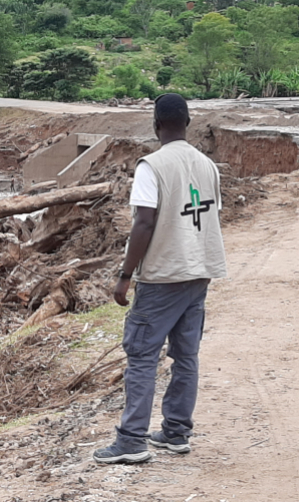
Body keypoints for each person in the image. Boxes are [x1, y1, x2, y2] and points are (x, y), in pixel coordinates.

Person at [93, 93, 227, 464]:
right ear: (188, 123)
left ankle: (132, 440)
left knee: (141, 355)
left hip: (163, 275)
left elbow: (145, 221)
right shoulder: (207, 165)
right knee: (186, 355)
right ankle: (176, 433)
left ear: (156, 125)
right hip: (199, 271)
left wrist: (124, 276)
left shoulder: (151, 166)